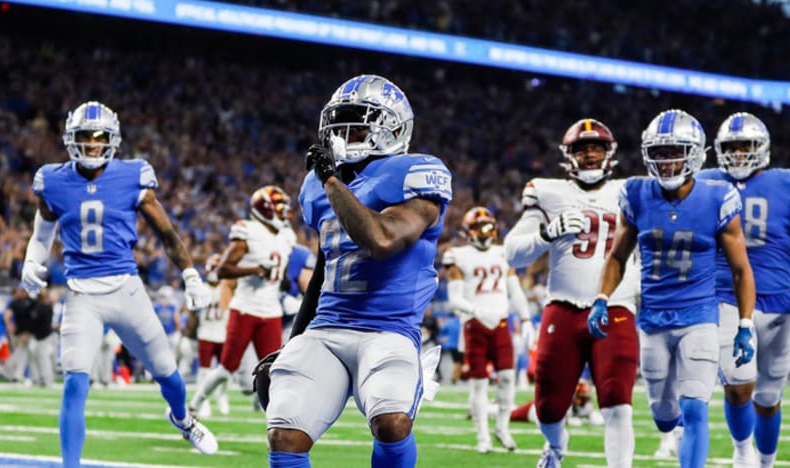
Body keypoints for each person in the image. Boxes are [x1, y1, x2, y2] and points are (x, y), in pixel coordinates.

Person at [258, 75, 453, 468]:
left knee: (392, 422)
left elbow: (382, 240)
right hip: (327, 329)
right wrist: (292, 341)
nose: (345, 133)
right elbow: (322, 270)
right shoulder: (315, 187)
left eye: (360, 123)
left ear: (394, 128)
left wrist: (331, 180)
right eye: (340, 122)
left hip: (389, 329)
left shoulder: (416, 172)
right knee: (285, 434)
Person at [22, 101, 217, 467]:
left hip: (126, 289)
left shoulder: (133, 175)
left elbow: (166, 233)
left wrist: (190, 273)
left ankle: (183, 419)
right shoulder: (53, 180)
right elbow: (41, 234)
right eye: (85, 138)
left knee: (169, 376)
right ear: (71, 139)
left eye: (100, 139)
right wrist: (32, 260)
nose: (93, 146)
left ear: (112, 141)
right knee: (74, 382)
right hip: (81, 293)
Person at [590, 109, 756, 468]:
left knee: (696, 407)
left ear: (695, 153)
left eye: (676, 151)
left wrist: (744, 324)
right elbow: (618, 256)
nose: (667, 162)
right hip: (653, 321)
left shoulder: (718, 197)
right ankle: (678, 436)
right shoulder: (635, 193)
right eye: (660, 153)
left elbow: (741, 269)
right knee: (665, 416)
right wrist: (602, 298)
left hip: (700, 317)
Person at [696, 112, 790, 468]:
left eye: (746, 146)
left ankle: (766, 463)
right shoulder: (705, 182)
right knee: (738, 385)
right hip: (725, 295)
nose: (739, 154)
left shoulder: (788, 183)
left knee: (769, 396)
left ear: (762, 149)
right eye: (731, 147)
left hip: (778, 300)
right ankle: (742, 451)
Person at [505, 118, 641, 468]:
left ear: (610, 153)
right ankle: (555, 447)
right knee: (548, 407)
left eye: (597, 148)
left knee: (616, 400)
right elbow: (512, 252)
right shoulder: (548, 191)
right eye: (583, 149)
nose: (591, 155)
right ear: (569, 155)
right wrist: (546, 234)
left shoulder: (633, 190)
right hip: (563, 308)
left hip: (616, 307)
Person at [189, 185, 293, 415]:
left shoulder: (286, 236)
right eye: (278, 207)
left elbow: (280, 275)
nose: (283, 211)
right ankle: (195, 404)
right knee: (227, 368)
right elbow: (223, 270)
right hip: (245, 308)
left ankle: (271, 414)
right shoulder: (247, 230)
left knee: (274, 369)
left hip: (271, 310)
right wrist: (255, 269)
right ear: (264, 209)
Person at [443, 206, 534, 453]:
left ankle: (502, 428)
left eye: (488, 227)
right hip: (475, 324)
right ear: (468, 231)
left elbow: (514, 289)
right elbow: (454, 298)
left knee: (507, 377)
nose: (485, 233)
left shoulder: (503, 253)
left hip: (502, 323)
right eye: (479, 227)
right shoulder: (458, 255)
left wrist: (526, 319)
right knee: (479, 383)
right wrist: (476, 311)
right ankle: (483, 436)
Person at [191, 255, 233, 417]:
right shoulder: (202, 289)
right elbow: (193, 311)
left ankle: (222, 395)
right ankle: (204, 399)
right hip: (206, 333)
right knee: (204, 370)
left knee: (226, 369)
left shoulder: (227, 287)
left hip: (223, 333)